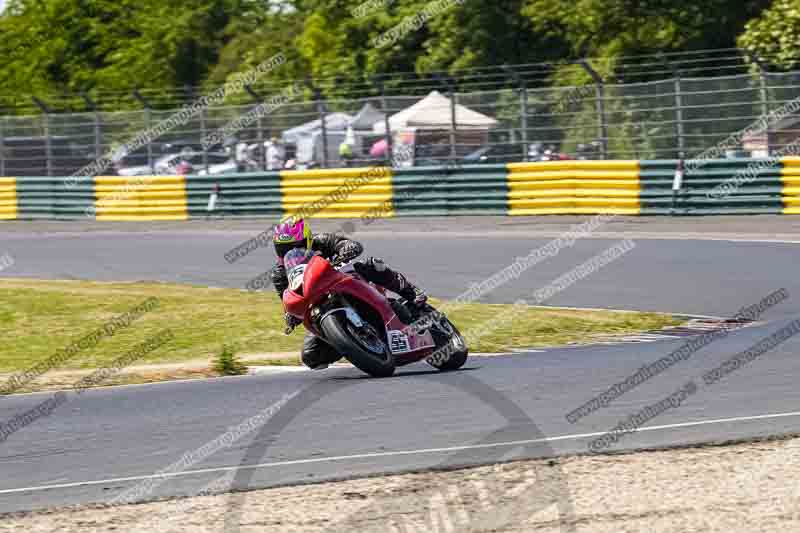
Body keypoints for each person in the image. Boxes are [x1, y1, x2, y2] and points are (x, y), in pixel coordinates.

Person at [270, 218, 427, 370]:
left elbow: (350, 245)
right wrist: (290, 315)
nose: (290, 251)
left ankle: (411, 292)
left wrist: (345, 252)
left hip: (345, 279)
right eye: (283, 248)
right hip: (318, 303)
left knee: (372, 265)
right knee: (311, 356)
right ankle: (355, 344)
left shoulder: (322, 241)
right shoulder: (279, 274)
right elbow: (288, 297)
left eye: (295, 245)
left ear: (307, 239)